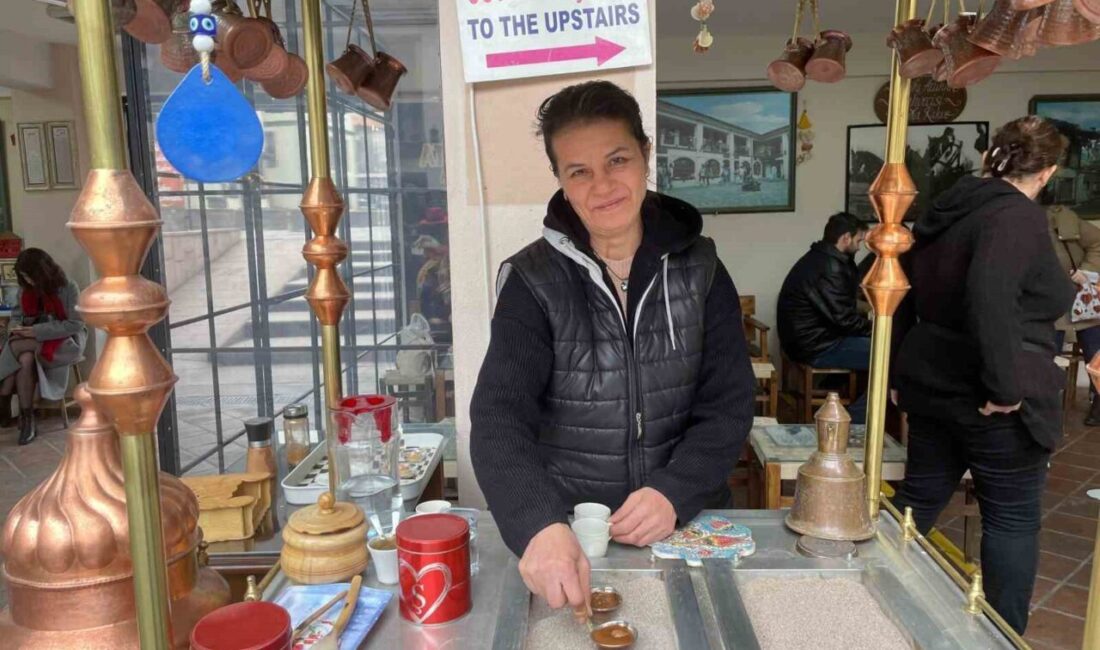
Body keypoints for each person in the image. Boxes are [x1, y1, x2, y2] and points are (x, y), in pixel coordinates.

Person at [470, 81, 754, 615]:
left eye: (617, 160)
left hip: (683, 526)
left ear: (646, 156)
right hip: (576, 539)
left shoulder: (702, 269)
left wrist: (675, 489)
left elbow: (729, 405)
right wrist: (537, 523)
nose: (602, 185)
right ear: (561, 181)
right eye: (578, 170)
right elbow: (498, 418)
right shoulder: (532, 281)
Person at [892, 116, 1073, 634]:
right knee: (1011, 518)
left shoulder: (945, 210)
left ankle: (869, 599)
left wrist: (904, 370)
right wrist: (1005, 389)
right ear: (1048, 172)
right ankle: (1004, 637)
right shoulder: (1016, 217)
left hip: (934, 382)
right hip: (988, 393)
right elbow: (989, 298)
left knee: (918, 502)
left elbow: (904, 290)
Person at [776, 212, 872, 420]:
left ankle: (832, 398)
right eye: (858, 240)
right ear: (845, 238)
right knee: (891, 357)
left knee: (876, 348)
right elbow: (844, 320)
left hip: (809, 341)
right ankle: (853, 420)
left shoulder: (820, 258)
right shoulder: (830, 267)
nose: (860, 246)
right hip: (816, 346)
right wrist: (877, 329)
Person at [0, 248, 86, 445]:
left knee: (15, 345)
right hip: (31, 344)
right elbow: (15, 316)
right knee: (25, 358)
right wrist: (18, 327)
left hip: (65, 343)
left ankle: (4, 392)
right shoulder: (25, 289)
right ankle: (27, 419)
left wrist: (37, 331)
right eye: (23, 277)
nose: (27, 281)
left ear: (42, 272)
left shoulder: (67, 287)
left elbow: (76, 324)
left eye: (29, 276)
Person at [1048, 202, 1100, 425]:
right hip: (1052, 305)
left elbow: (1098, 241)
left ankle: (1099, 405)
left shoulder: (1060, 218)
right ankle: (1045, 408)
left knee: (1096, 356)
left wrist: (1086, 272)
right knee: (1046, 358)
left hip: (1083, 301)